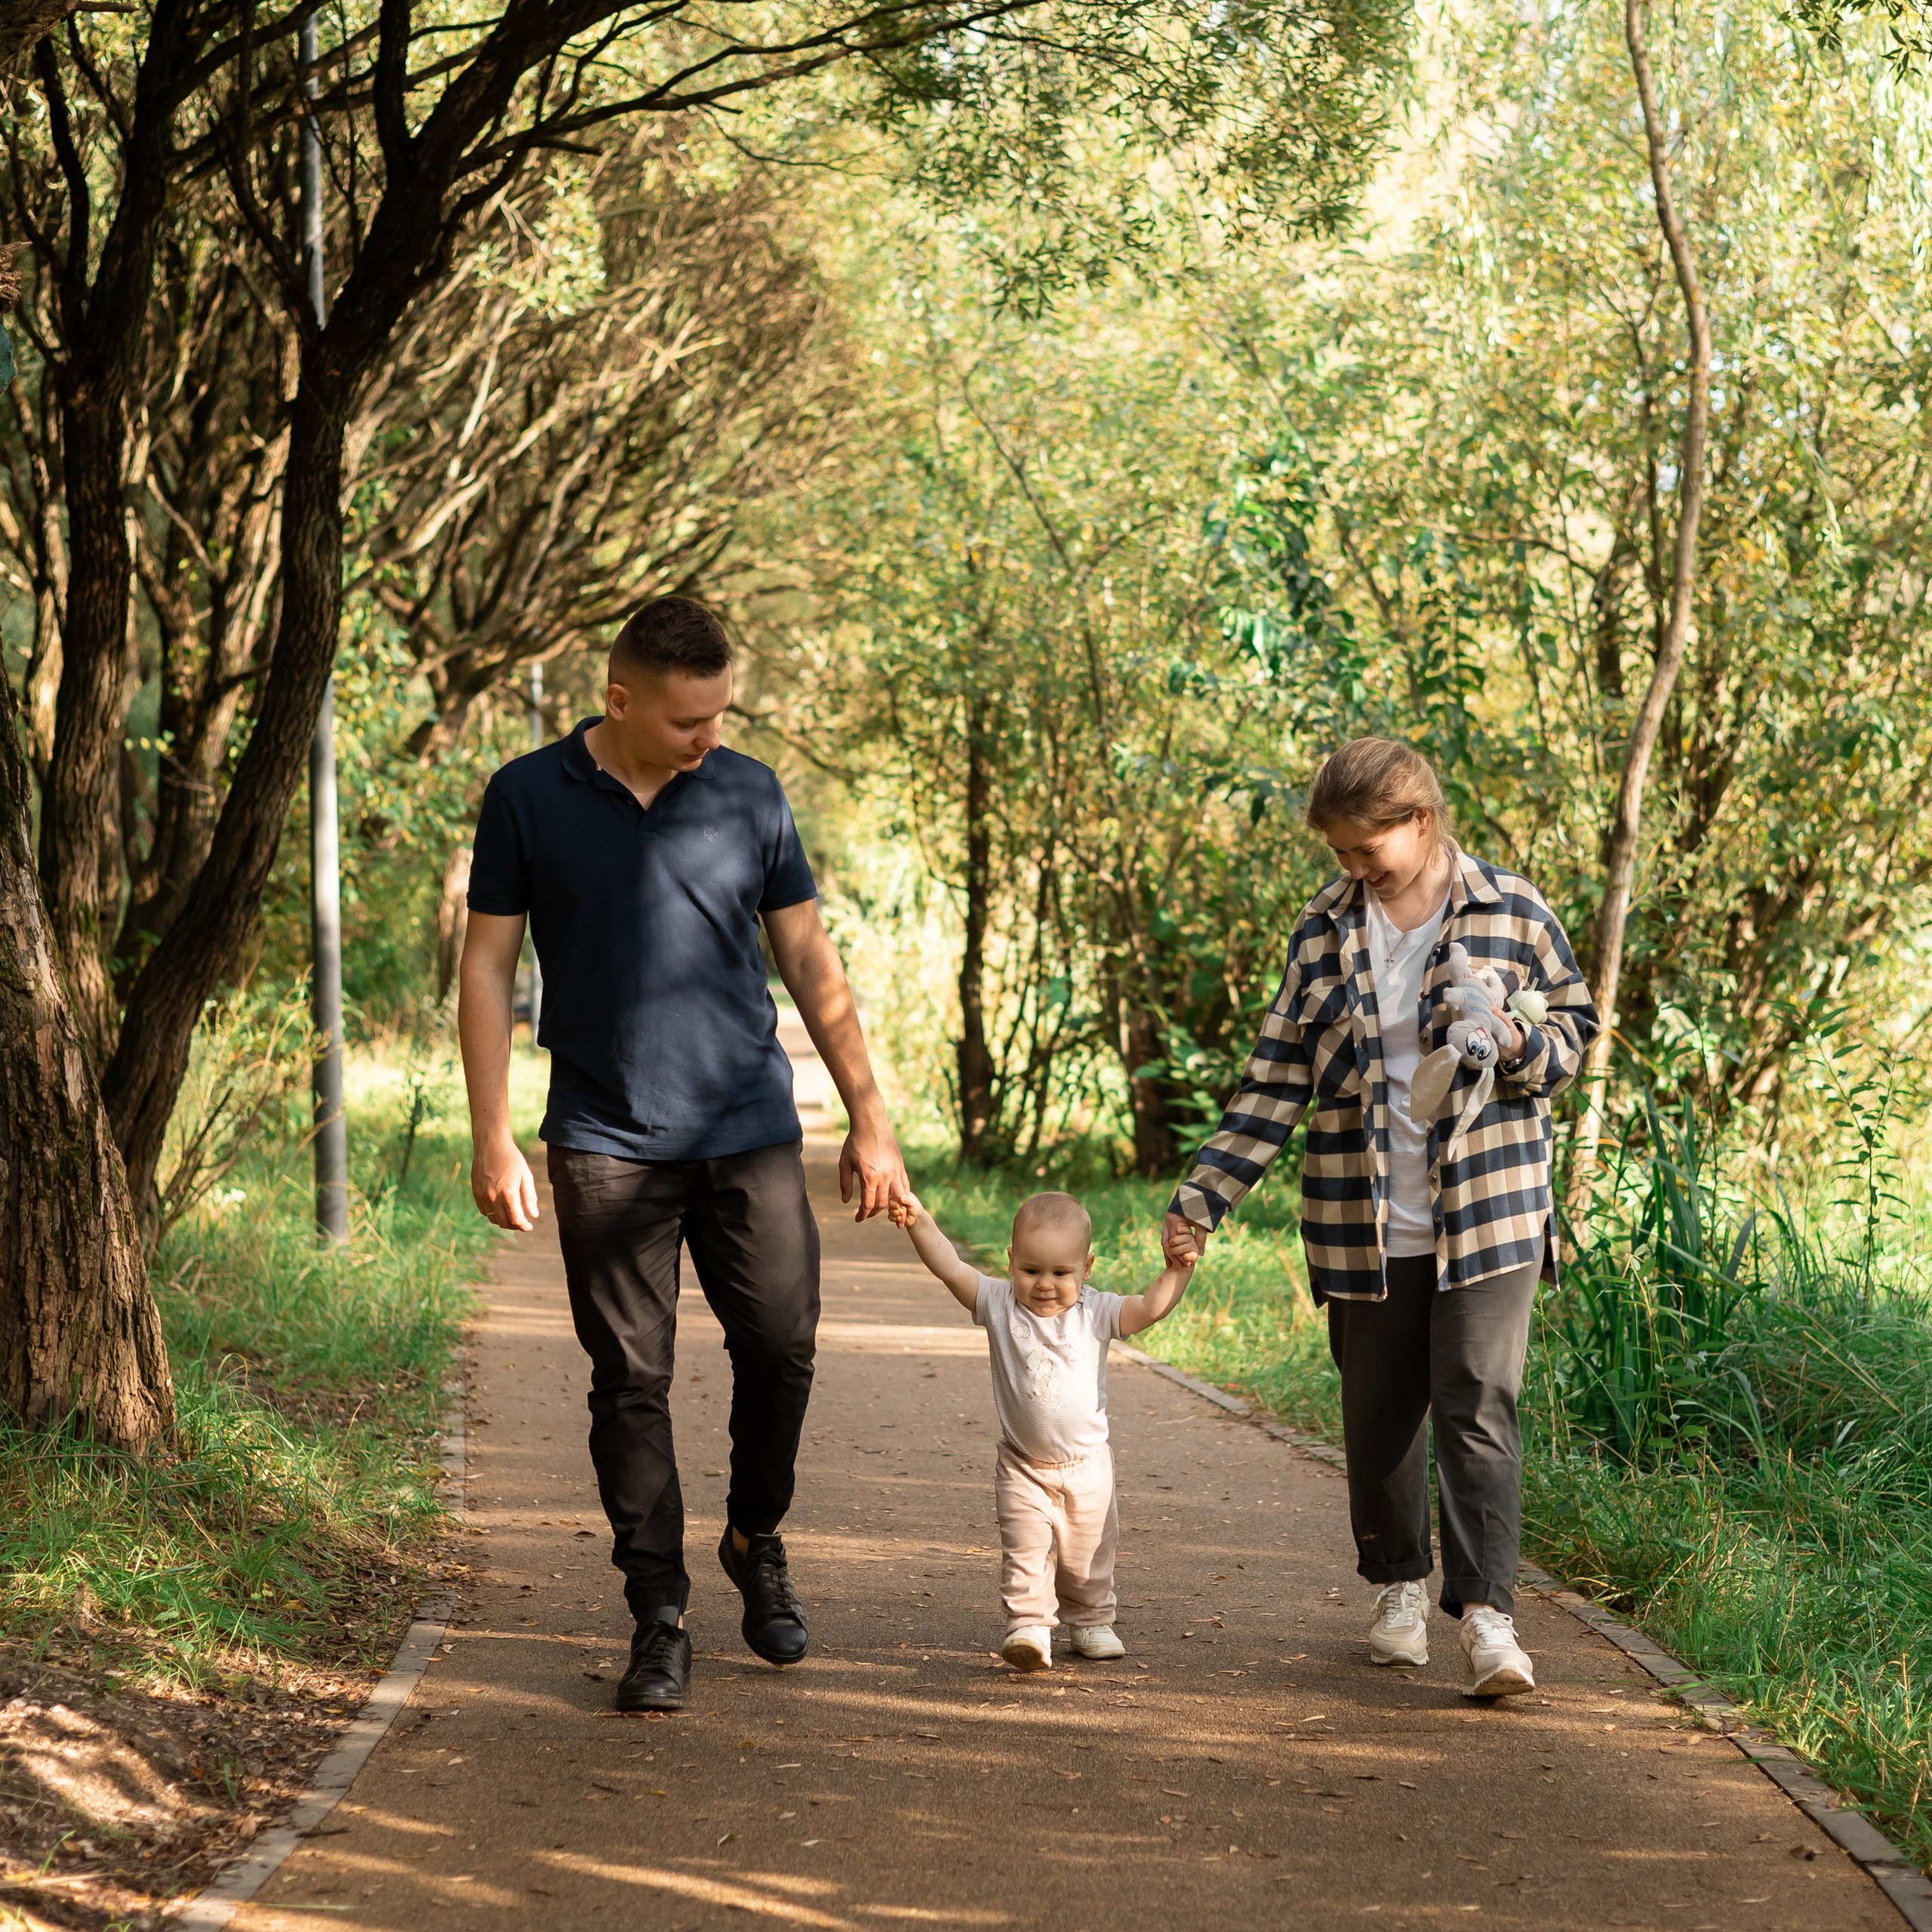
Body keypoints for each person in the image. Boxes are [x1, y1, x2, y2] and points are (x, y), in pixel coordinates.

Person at [457, 595, 909, 1715]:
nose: (711, 738)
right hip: (604, 1139)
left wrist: (870, 1115)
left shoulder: (750, 792)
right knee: (631, 1383)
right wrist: (492, 1132)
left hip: (749, 1126)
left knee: (784, 1348)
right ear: (619, 701)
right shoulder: (526, 797)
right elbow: (486, 969)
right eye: (687, 721)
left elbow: (807, 954)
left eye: (721, 715)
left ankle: (756, 1534)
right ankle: (657, 1612)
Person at [1162, 738, 1598, 1698]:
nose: (1355, 870)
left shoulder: (1512, 910)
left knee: (1477, 1401)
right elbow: (1276, 1077)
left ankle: (1488, 1615)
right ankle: (1398, 1587)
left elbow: (1576, 1032)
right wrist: (1205, 1195)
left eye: (1369, 850)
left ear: (1421, 821)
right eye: (1342, 854)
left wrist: (1518, 1038)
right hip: (1363, 1213)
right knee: (1379, 1415)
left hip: (1489, 1205)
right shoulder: (1321, 931)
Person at [891, 1187, 1195, 1672]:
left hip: (1087, 1467)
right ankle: (1029, 1626)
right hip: (1022, 1465)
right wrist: (918, 1221)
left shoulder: (1096, 1313)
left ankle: (1092, 1619)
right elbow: (950, 1266)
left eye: (1061, 1272)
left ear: (1087, 1268)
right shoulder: (996, 1303)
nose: (1045, 1284)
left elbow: (1150, 1307)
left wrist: (1178, 1271)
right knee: (1025, 1547)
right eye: (1031, 1270)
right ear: (1011, 1261)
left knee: (1088, 1554)